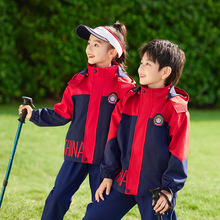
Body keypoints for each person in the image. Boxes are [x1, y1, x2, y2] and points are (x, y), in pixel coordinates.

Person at [19, 22, 135, 220]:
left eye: (96, 44)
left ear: (113, 52)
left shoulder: (125, 87)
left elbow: (128, 128)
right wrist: (34, 115)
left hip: (106, 160)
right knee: (56, 198)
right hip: (76, 153)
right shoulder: (77, 83)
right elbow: (62, 113)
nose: (89, 48)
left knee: (101, 207)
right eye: (89, 43)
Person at [83, 39, 190, 220]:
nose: (141, 68)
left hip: (155, 188)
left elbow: (179, 153)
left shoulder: (175, 109)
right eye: (141, 63)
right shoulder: (128, 100)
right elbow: (112, 140)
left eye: (148, 64)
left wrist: (168, 190)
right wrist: (108, 175)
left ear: (165, 72)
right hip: (123, 181)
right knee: (94, 216)